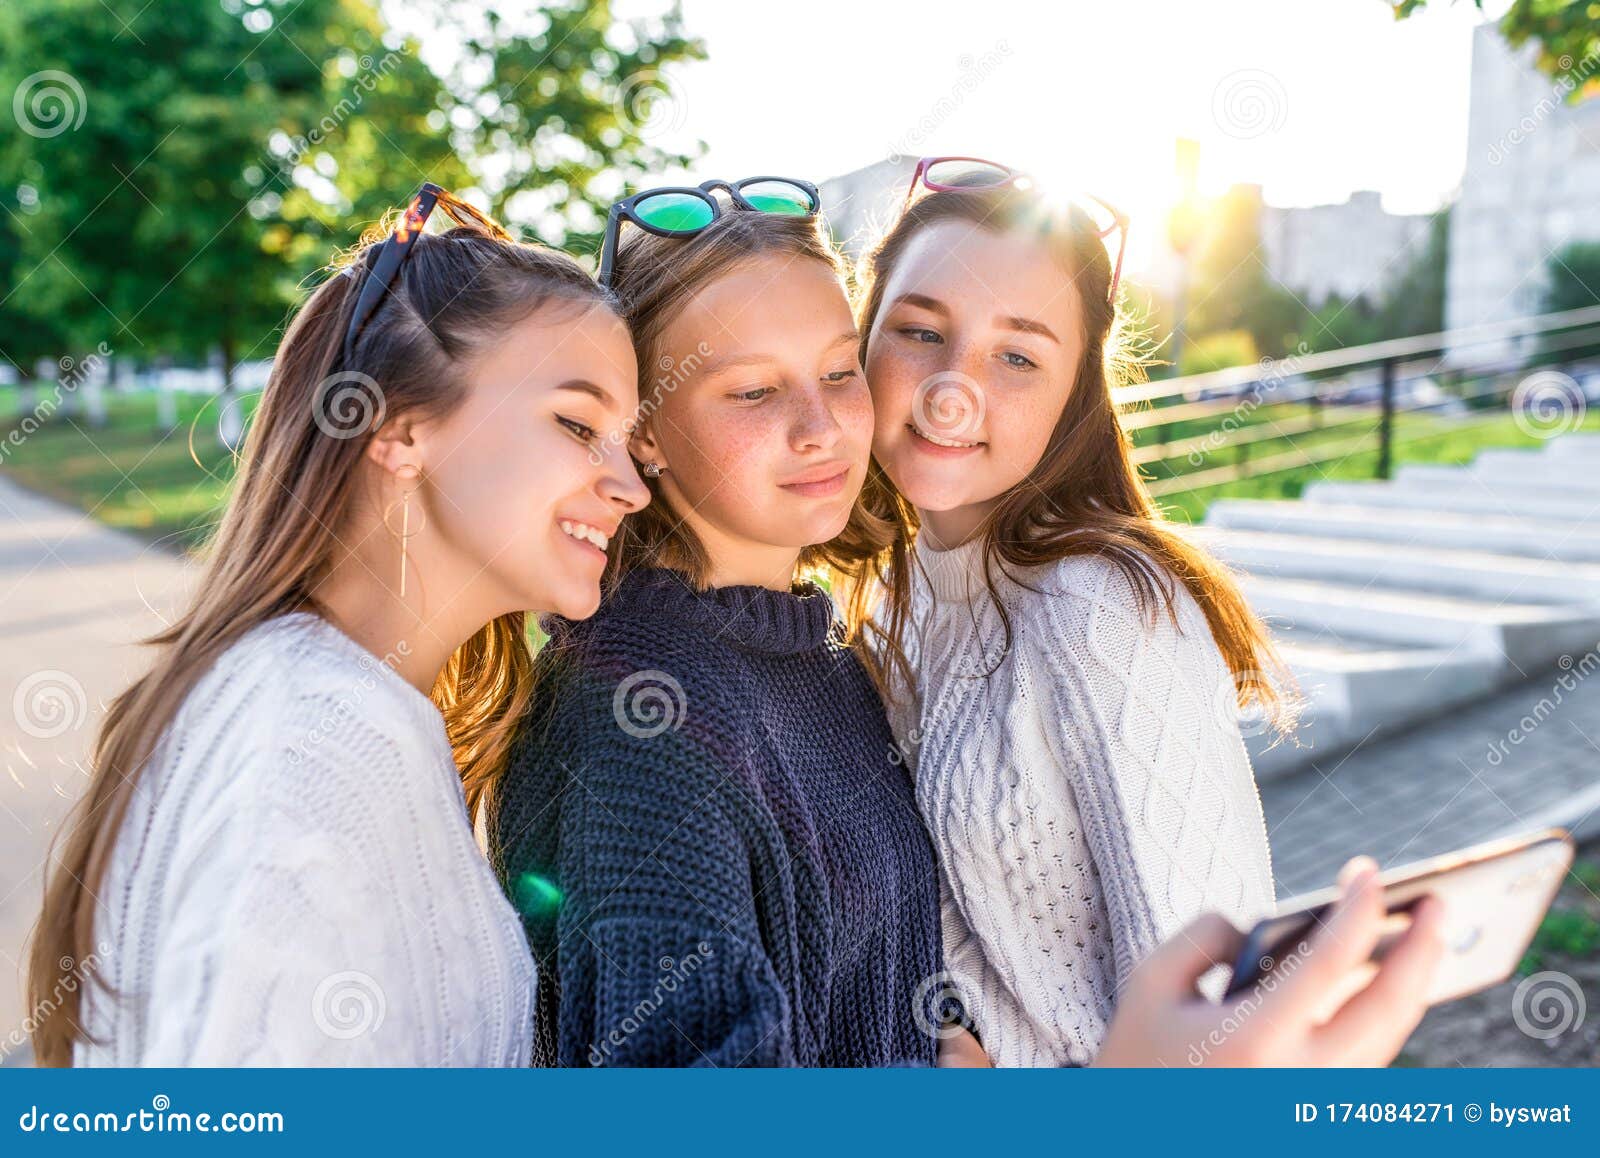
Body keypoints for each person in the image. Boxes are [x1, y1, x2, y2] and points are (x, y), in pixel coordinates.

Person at [27, 185, 648, 1065]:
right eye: (579, 424)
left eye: (629, 442)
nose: (631, 485)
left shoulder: (334, 705)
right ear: (396, 430)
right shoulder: (314, 742)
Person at [854, 158, 1295, 1064]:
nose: (952, 390)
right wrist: (947, 1027)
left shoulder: (1100, 606)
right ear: (860, 343)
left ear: (1072, 396)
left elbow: (1215, 1020)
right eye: (918, 331)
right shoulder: (884, 601)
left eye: (1016, 356)